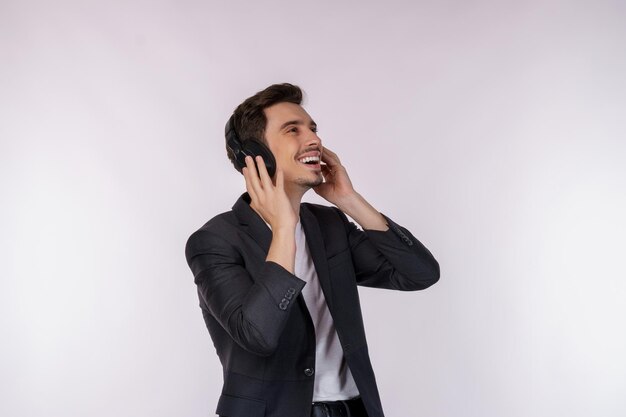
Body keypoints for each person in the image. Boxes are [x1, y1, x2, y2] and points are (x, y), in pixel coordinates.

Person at [184, 83, 440, 417]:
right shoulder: (214, 241)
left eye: (313, 129)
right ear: (255, 156)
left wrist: (349, 201)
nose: (314, 139)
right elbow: (257, 334)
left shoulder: (329, 225)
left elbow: (420, 274)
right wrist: (284, 229)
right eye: (293, 130)